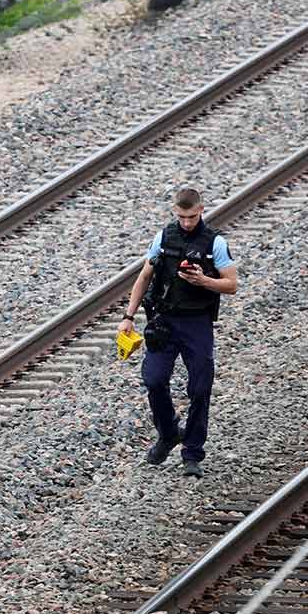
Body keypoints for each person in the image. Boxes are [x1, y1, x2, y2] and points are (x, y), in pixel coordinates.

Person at [117, 187, 237, 478]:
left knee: (199, 388)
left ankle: (192, 453)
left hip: (197, 323)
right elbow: (144, 276)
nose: (186, 222)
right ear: (175, 212)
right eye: (181, 217)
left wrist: (204, 280)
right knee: (154, 379)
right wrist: (128, 317)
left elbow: (231, 284)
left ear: (202, 210)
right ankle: (169, 432)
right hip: (164, 321)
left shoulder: (215, 243)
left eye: (192, 216)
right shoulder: (163, 237)